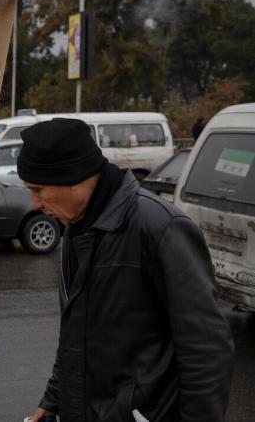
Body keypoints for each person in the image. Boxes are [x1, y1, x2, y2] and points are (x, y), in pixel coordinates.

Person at [18, 118, 234, 421]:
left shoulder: (161, 228)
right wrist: (54, 398)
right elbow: (75, 334)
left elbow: (207, 350)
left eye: (38, 189)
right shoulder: (77, 229)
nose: (35, 203)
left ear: (74, 177)